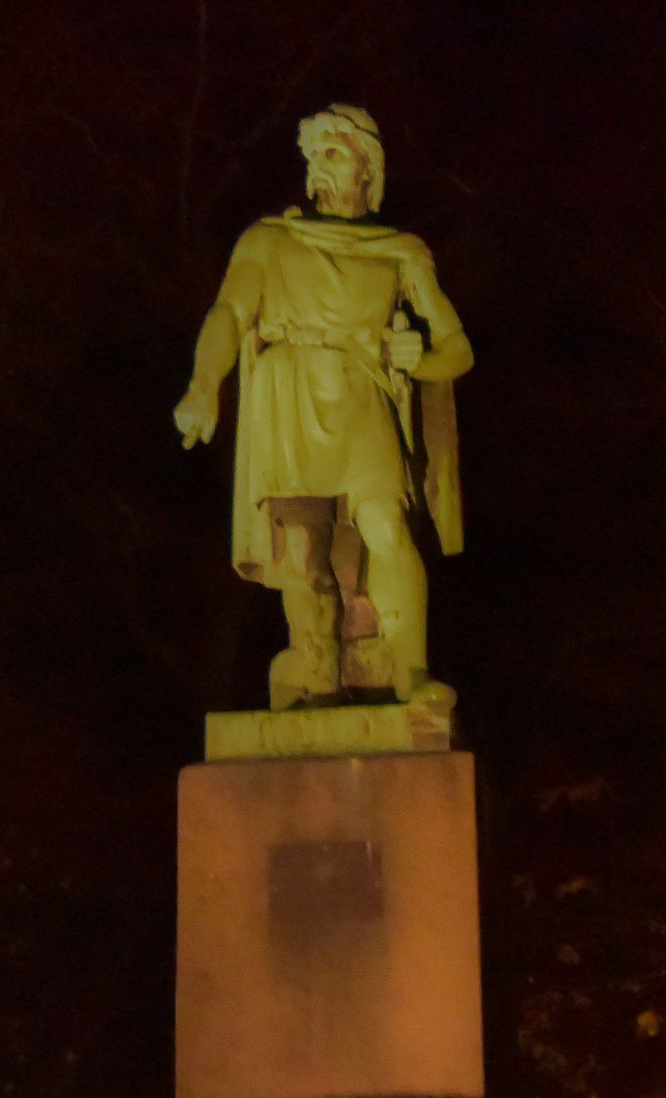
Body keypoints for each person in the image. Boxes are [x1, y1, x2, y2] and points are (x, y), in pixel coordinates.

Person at [175, 104, 474, 710]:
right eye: (312, 154)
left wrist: (419, 359)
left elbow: (458, 349)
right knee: (303, 548)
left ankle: (411, 672)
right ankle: (315, 675)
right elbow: (230, 312)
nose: (317, 163)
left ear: (368, 165)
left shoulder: (400, 252)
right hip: (289, 394)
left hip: (362, 389)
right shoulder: (269, 240)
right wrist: (205, 384)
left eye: (332, 151)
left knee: (386, 525)